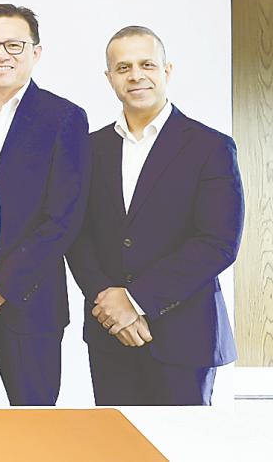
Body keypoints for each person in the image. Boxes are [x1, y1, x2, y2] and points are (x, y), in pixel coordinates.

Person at [67, 26, 243, 405]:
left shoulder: (210, 146)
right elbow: (77, 235)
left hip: (185, 336)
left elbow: (218, 243)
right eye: (123, 67)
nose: (136, 75)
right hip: (109, 335)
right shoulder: (89, 147)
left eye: (147, 64)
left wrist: (135, 300)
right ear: (109, 77)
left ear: (168, 70)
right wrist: (108, 304)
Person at [0, 4, 89, 406]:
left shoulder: (65, 117)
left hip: (30, 299)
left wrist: (1, 285)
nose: (0, 55)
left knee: (36, 422)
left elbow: (64, 217)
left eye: (13, 45)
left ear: (36, 53)